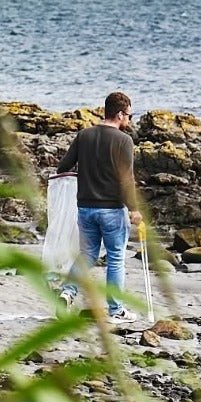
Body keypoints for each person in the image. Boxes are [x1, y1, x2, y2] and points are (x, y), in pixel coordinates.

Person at [56, 91, 143, 322]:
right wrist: (133, 209)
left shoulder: (84, 135)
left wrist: (87, 174)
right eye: (130, 116)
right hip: (112, 210)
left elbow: (63, 167)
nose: (130, 121)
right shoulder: (124, 141)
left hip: (85, 208)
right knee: (115, 257)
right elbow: (126, 179)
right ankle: (116, 310)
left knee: (87, 255)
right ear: (119, 114)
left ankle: (67, 293)